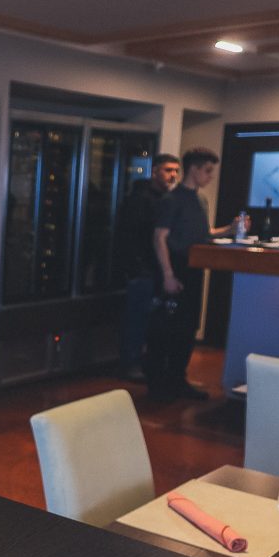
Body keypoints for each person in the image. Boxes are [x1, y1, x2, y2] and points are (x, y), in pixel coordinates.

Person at [145, 147, 245, 401]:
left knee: (187, 327)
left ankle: (178, 379)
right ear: (194, 169)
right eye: (208, 171)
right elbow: (160, 238)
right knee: (165, 327)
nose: (210, 177)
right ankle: (158, 385)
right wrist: (167, 274)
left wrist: (230, 229)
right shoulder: (172, 200)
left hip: (194, 268)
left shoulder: (200, 200)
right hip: (175, 266)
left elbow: (204, 233)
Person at [114, 154, 180, 381]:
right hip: (143, 269)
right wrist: (137, 268)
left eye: (175, 171)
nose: (173, 175)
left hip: (154, 268)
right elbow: (130, 236)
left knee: (148, 319)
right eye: (168, 170)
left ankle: (143, 363)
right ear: (154, 172)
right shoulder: (140, 199)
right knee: (137, 319)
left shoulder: (165, 199)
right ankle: (131, 364)